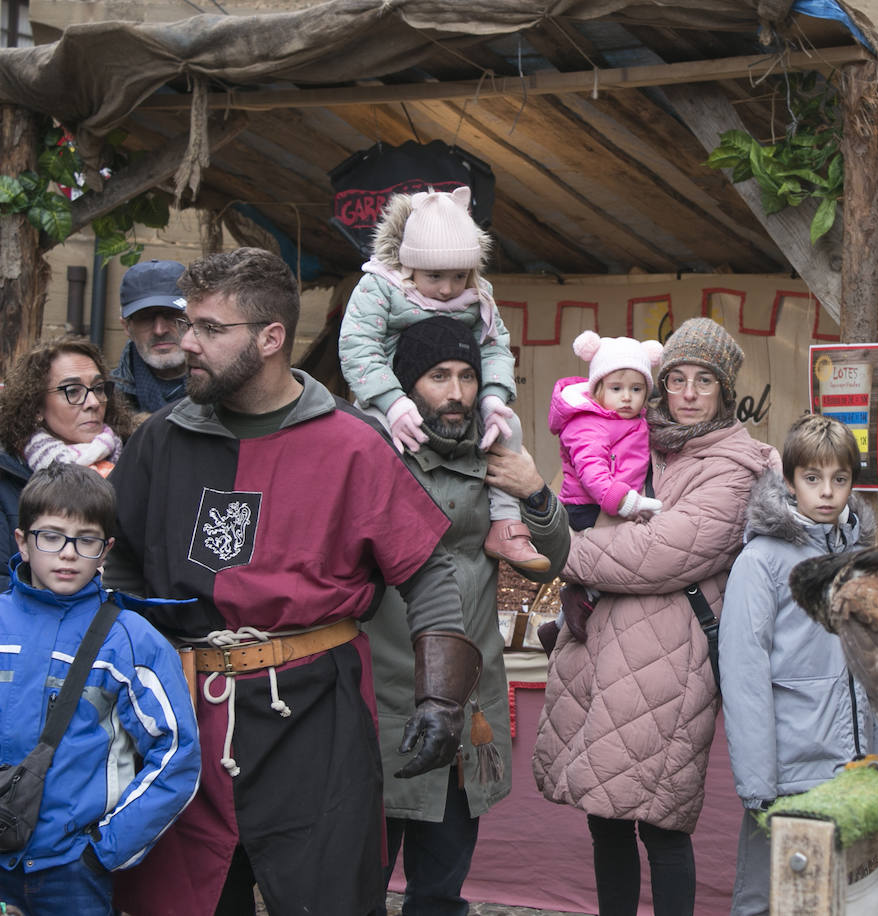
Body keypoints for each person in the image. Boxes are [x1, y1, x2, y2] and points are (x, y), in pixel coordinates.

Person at [102, 247, 477, 916]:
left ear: (271, 338)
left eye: (211, 330)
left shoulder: (354, 444)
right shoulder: (160, 441)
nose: (188, 343)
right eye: (191, 326)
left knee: (326, 900)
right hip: (182, 721)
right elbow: (119, 558)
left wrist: (442, 700)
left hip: (314, 717)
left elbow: (428, 572)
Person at [533, 317, 779, 916]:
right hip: (603, 650)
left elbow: (657, 555)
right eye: (676, 379)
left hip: (671, 659)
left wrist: (559, 549)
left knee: (662, 823)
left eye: (704, 380)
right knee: (606, 819)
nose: (688, 393)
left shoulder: (736, 466)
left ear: (725, 390)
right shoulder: (641, 439)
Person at [362, 316, 570, 916]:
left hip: (466, 704)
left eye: (466, 376)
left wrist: (535, 492)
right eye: (437, 376)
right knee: (357, 888)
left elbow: (550, 563)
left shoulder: (497, 452)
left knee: (440, 891)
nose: (455, 392)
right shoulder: (372, 454)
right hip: (384, 696)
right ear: (405, 384)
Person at [0, 464, 198, 916]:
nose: (67, 554)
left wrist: (104, 850)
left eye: (85, 540)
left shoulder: (129, 639)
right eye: (50, 536)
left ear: (105, 550)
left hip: (71, 868)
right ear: (22, 543)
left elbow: (177, 755)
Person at [718, 413, 878, 916]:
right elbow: (744, 674)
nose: (827, 492)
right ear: (790, 481)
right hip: (790, 769)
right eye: (812, 478)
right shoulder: (761, 561)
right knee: (770, 902)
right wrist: (758, 784)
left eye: (839, 479)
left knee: (843, 898)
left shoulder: (861, 558)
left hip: (856, 766)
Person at [339, 186, 548, 572]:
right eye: (434, 276)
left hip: (452, 404)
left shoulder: (477, 294)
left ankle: (504, 521)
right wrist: (391, 400)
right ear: (407, 264)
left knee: (509, 427)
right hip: (387, 398)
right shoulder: (380, 288)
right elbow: (358, 346)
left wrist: (493, 395)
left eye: (458, 275)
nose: (449, 288)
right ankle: (374, 529)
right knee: (367, 440)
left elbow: (494, 345)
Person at [0, 337, 133, 561]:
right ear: (37, 407)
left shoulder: (134, 461)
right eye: (72, 391)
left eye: (99, 388)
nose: (92, 402)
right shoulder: (6, 477)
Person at [550, 330, 665, 531]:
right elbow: (591, 469)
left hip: (622, 501)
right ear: (596, 391)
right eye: (616, 388)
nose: (627, 397)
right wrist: (625, 502)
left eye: (636, 389)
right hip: (588, 506)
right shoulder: (588, 423)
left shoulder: (638, 421)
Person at [112, 260, 189, 417]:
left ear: (194, 319)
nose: (159, 330)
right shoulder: (105, 401)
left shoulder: (229, 392)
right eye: (145, 318)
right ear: (126, 326)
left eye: (171, 315)